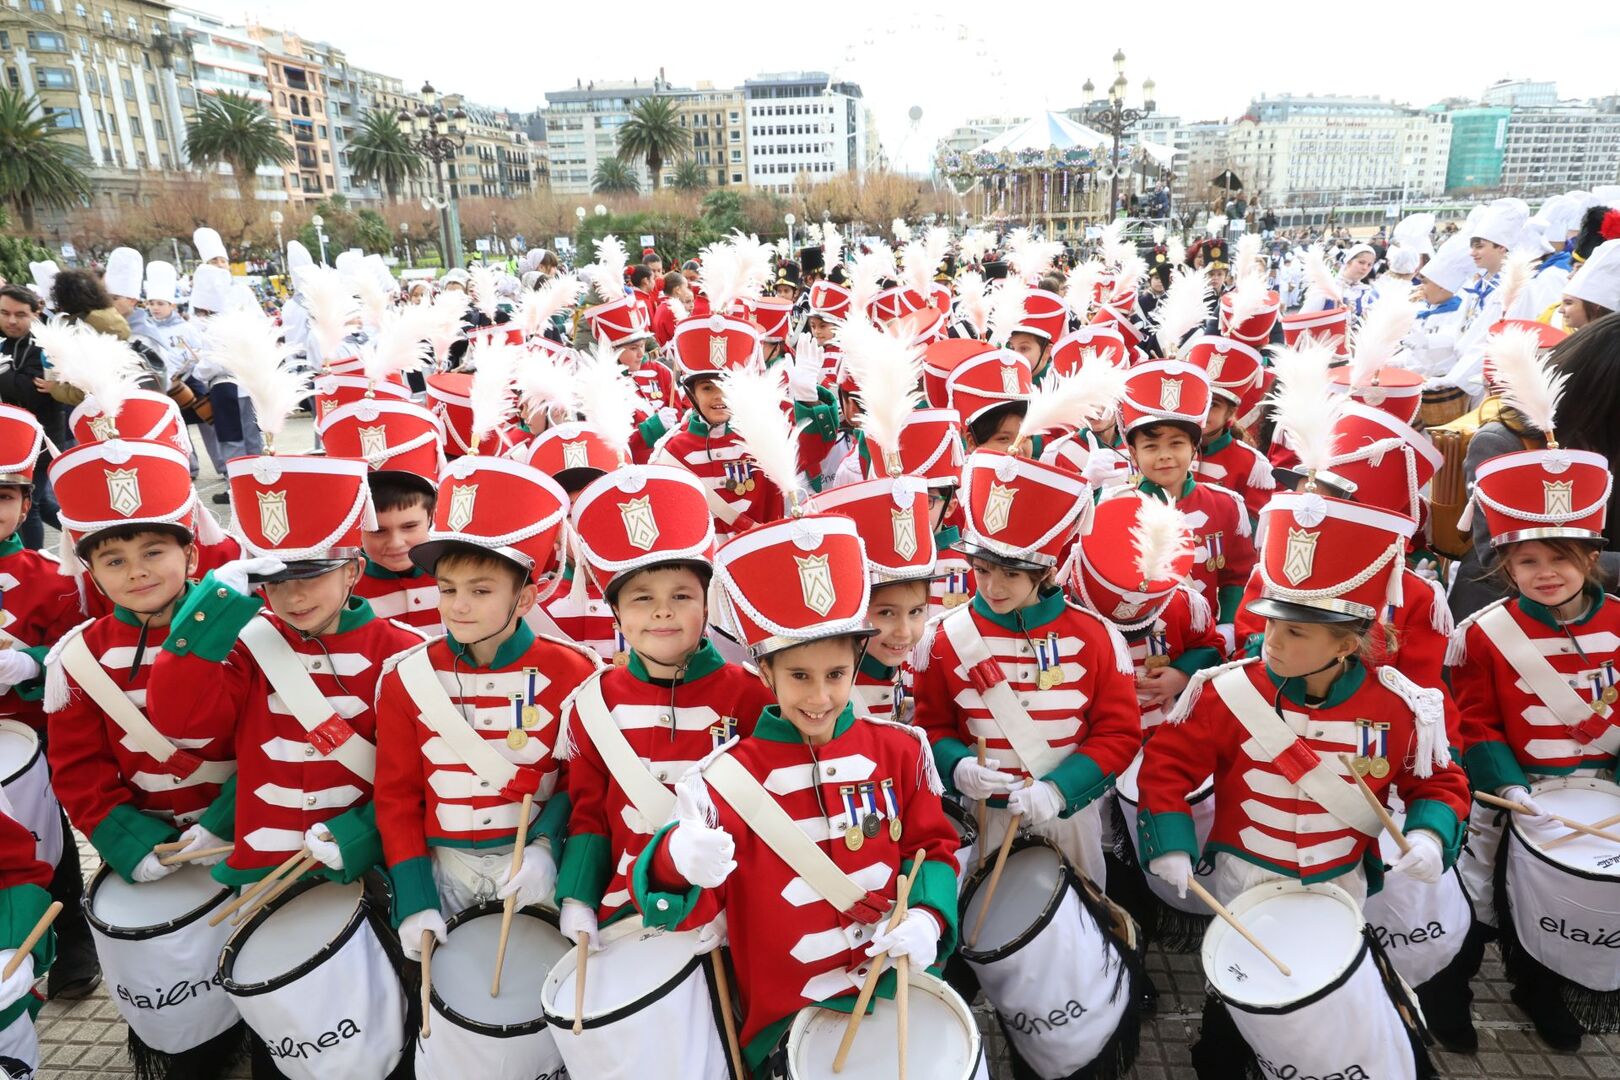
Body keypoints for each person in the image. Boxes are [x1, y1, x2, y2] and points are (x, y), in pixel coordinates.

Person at [1137, 490, 1470, 1078]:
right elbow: (1166, 766)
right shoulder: (1224, 691)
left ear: (1347, 643)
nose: (1273, 642)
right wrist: (1169, 842)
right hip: (1244, 876)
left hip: (1338, 883)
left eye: (1296, 633)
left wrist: (1429, 837)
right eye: (1273, 625)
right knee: (1234, 992)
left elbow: (1438, 782)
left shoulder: (1400, 706)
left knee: (1325, 1000)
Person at [632, 511, 960, 1076]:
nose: (820, 696)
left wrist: (930, 915)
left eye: (835, 674)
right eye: (800, 677)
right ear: (765, 675)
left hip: (895, 995)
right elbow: (690, 913)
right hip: (787, 1022)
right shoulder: (724, 779)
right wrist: (673, 860)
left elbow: (931, 847)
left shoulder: (902, 751)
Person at [44, 433, 241, 1074]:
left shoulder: (244, 630)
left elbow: (273, 746)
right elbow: (77, 769)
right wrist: (126, 842)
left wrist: (231, 821)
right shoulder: (75, 658)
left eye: (154, 550)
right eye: (115, 561)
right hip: (153, 842)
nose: (138, 572)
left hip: (248, 834)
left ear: (190, 551)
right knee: (183, 994)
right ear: (91, 573)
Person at [1447, 370, 1619, 1051]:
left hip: (1600, 798)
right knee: (1482, 907)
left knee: (1564, 906)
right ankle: (1453, 994)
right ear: (1505, 567)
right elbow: (1474, 723)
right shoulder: (1485, 633)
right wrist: (1510, 786)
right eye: (1527, 561)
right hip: (1515, 798)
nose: (1546, 572)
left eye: (1561, 558)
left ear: (1589, 557)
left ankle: (1542, 990)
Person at [373, 452, 600, 961]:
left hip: (535, 869)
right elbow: (396, 796)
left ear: (524, 599)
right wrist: (414, 897)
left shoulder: (572, 671)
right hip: (442, 868)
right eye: (447, 589)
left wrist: (546, 849)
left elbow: (579, 784)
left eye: (480, 591)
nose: (457, 606)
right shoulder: (408, 677)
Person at [553, 465, 771, 939]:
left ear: (707, 604)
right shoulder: (594, 702)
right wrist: (578, 896)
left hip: (723, 911)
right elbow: (589, 814)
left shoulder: (751, 694)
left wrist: (743, 906)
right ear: (615, 613)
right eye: (641, 598)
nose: (662, 610)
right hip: (621, 910)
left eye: (681, 595)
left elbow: (767, 817)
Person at [914, 449, 1141, 885]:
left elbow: (1119, 734)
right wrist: (957, 765)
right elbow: (932, 726)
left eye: (1010, 575)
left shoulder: (1095, 636)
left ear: (1044, 570)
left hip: (1067, 816)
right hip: (983, 821)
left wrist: (1059, 790)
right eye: (981, 570)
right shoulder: (941, 638)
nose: (992, 587)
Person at [1106, 361, 1255, 638]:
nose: (1164, 455)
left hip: (1209, 642)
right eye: (1151, 446)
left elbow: (1237, 575)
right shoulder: (1115, 507)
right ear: (1134, 454)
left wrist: (1228, 627)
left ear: (1194, 447)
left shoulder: (1226, 505)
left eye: (1176, 444)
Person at [0, 285, 58, 550]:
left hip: (43, 438)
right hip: (11, 437)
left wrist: (6, 374)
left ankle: (29, 561)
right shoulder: (5, 343)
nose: (11, 320)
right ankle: (88, 535)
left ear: (36, 313)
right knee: (41, 501)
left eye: (20, 314)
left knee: (29, 504)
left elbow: (30, 392)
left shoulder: (45, 346)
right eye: (4, 313)